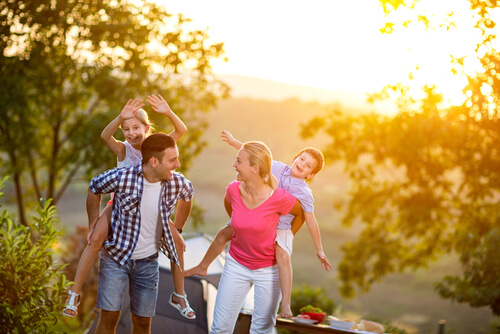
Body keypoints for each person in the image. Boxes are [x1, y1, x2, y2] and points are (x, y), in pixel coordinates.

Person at [63, 95, 195, 320]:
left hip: (151, 207)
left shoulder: (154, 148)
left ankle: (179, 294)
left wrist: (168, 112)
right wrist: (119, 118)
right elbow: (105, 136)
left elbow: (180, 131)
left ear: (147, 128)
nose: (131, 133)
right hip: (119, 206)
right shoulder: (123, 149)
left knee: (178, 243)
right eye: (126, 129)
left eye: (136, 127)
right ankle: (74, 293)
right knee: (95, 239)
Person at [185, 130, 331, 318]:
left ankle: (286, 303)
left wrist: (319, 250)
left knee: (283, 256)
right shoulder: (277, 167)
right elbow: (254, 156)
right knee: (223, 233)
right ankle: (203, 266)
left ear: (310, 175)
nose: (302, 164)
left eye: (308, 165)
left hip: (282, 227)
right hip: (258, 217)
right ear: (295, 157)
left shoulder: (304, 192)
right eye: (302, 159)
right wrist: (233, 142)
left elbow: (310, 219)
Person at [88, 132, 194, 334]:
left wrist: (177, 229)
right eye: (172, 160)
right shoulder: (124, 177)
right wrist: (93, 223)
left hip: (148, 263)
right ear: (154, 161)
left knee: (143, 324)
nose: (177, 164)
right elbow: (94, 187)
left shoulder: (176, 182)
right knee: (109, 318)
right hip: (115, 258)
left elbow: (188, 195)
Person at [210, 141, 302, 334]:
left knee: (261, 331)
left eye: (239, 161)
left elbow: (300, 214)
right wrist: (243, 225)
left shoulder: (279, 197)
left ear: (255, 168)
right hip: (236, 264)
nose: (234, 165)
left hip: (269, 271)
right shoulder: (233, 189)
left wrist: (286, 237)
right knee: (219, 329)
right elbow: (231, 209)